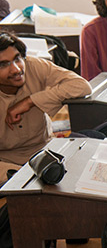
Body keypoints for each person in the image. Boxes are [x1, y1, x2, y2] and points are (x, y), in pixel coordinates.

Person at [0, 32, 91, 165]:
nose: (16, 69)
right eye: (3, 65)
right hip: (8, 162)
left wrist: (29, 101)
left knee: (97, 147)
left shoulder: (32, 65)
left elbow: (82, 86)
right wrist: (19, 176)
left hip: (48, 147)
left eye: (17, 58)